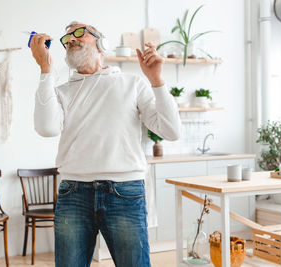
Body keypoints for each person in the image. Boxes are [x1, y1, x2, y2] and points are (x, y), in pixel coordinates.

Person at [30, 21, 181, 267]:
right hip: (73, 193)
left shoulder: (133, 83)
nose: (71, 40)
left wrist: (156, 80)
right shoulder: (62, 92)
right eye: (66, 39)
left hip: (125, 191)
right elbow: (46, 128)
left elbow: (171, 131)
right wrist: (45, 69)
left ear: (102, 43)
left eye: (79, 33)